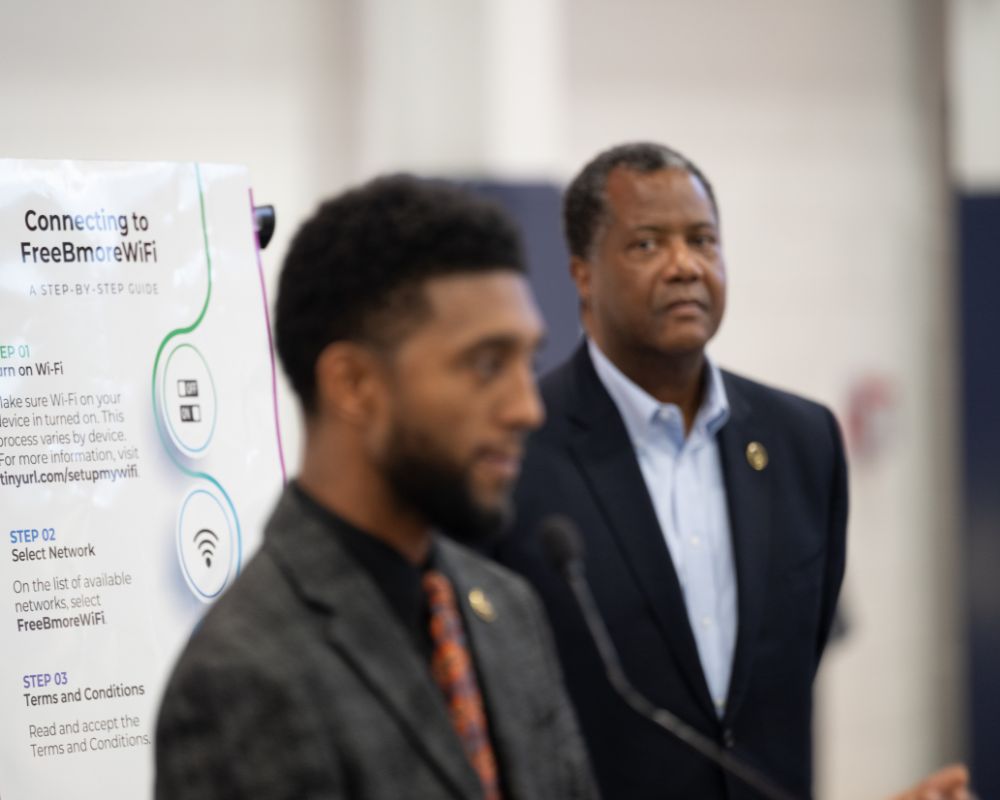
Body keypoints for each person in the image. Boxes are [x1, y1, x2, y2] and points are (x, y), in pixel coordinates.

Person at [155, 175, 597, 799]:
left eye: (528, 362)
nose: (527, 408)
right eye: (487, 364)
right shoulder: (243, 674)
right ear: (355, 384)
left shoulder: (507, 609)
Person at [494, 142, 848, 800]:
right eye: (648, 245)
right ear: (582, 273)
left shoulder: (804, 441)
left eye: (703, 241)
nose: (685, 266)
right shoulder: (514, 444)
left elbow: (795, 658)